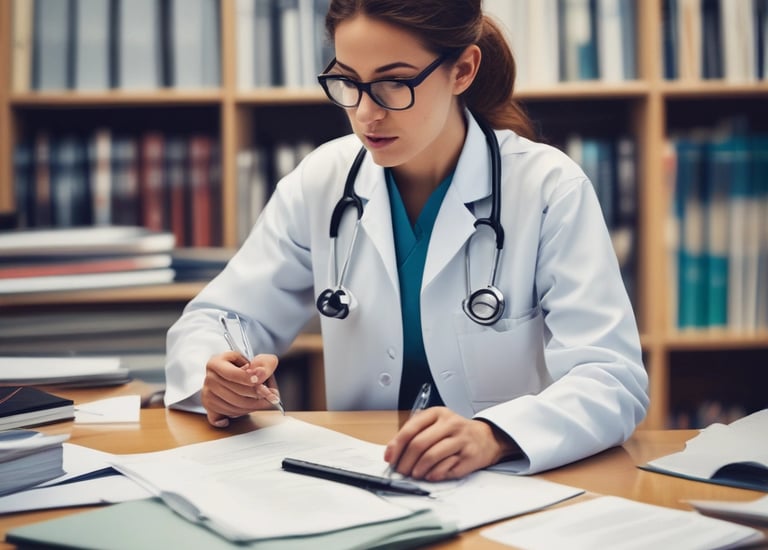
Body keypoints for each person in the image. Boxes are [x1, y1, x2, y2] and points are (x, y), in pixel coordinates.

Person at [164, 0, 649, 481]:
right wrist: (217, 371)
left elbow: (610, 379)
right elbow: (217, 318)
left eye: (394, 83)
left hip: (505, 483)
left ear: (462, 70)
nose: (366, 112)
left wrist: (494, 435)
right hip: (358, 477)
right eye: (348, 83)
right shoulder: (324, 180)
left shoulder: (548, 188)